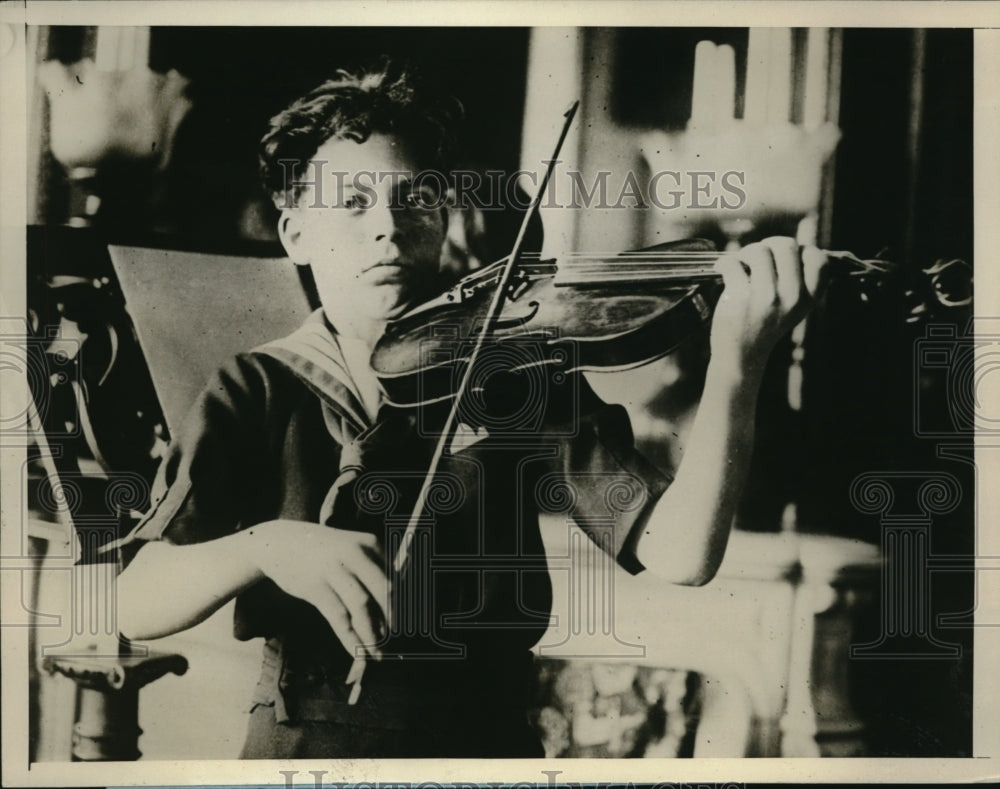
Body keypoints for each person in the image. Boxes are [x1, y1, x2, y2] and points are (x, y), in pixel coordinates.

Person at [115, 60, 829, 758]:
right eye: (353, 202)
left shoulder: (513, 373)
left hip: (478, 745)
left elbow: (681, 555)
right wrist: (266, 544)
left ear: (443, 215)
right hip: (302, 747)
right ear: (294, 232)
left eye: (415, 198)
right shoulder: (258, 386)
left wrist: (742, 361)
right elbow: (135, 600)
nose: (388, 227)